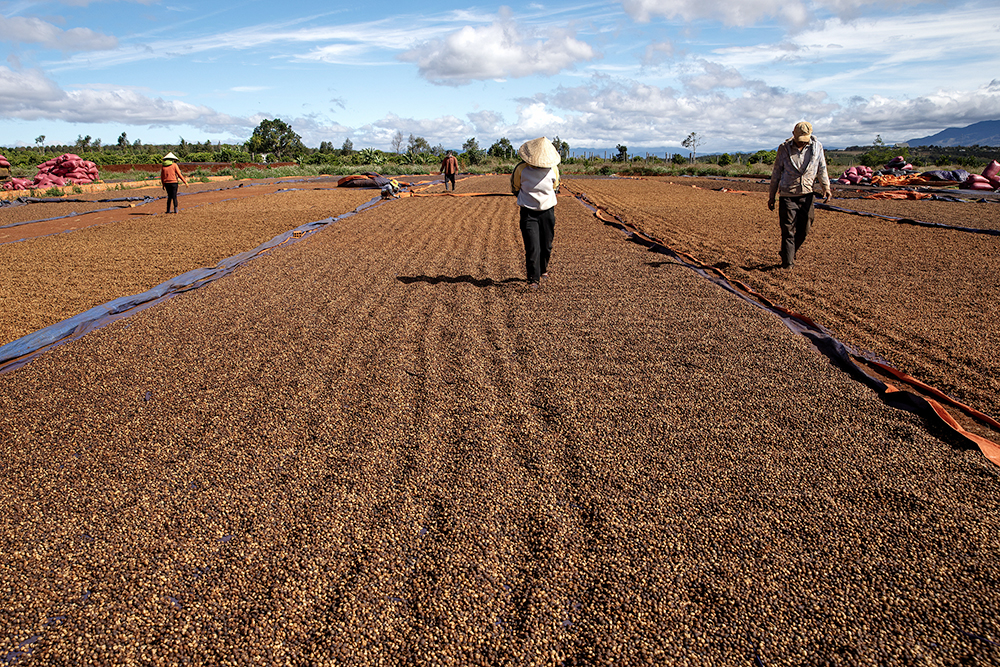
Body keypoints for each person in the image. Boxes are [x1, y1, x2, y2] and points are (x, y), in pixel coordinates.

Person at [767, 121, 831, 268]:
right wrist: (772, 196)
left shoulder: (817, 147)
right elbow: (776, 172)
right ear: (793, 135)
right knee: (788, 230)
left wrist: (826, 187)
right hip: (787, 195)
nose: (801, 142)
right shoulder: (784, 149)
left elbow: (822, 168)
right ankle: (787, 263)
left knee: (804, 229)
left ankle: (787, 252)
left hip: (807, 194)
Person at [510, 137, 560, 288]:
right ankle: (533, 278)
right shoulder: (521, 168)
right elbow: (515, 187)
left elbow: (555, 186)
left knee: (546, 245)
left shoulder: (553, 169)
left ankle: (543, 269)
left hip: (548, 211)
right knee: (532, 246)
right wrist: (528, 200)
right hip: (528, 212)